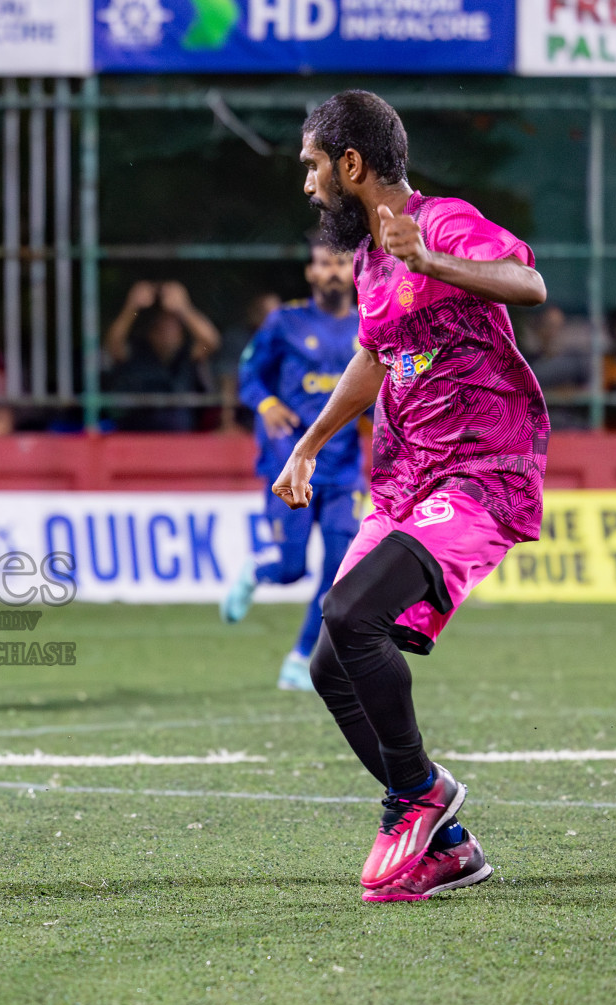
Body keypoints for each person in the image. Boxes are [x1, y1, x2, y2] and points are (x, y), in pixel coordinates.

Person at [276, 90, 548, 902]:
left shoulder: (441, 223)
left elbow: (525, 282)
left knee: (351, 616)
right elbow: (375, 355)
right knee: (333, 664)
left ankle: (418, 799)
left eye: (313, 165)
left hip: (480, 473)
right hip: (406, 479)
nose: (309, 183)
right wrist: (311, 441)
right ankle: (448, 844)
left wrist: (432, 260)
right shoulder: (367, 259)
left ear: (351, 165)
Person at [221, 239, 363, 692]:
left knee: (339, 573)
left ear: (353, 270)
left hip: (343, 471)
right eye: (325, 264)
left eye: (341, 263)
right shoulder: (284, 322)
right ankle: (257, 572)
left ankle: (301, 658)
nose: (334, 272)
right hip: (290, 465)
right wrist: (264, 404)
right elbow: (249, 375)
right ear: (311, 272)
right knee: (292, 568)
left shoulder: (369, 327)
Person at [103, 280, 219, 431]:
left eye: (173, 328)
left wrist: (183, 308)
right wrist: (133, 307)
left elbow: (211, 341)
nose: (167, 333)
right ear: (150, 332)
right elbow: (113, 343)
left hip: (181, 437)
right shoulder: (136, 351)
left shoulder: (189, 353)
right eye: (161, 328)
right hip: (136, 435)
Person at [212, 290, 281, 431]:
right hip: (246, 417)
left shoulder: (289, 341)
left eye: (276, 313)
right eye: (265, 313)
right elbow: (228, 380)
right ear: (253, 314)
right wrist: (227, 423)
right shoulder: (238, 339)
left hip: (283, 416)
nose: (272, 319)